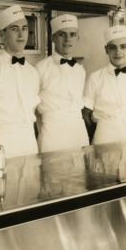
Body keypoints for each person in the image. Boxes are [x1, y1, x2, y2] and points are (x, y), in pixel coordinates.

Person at [0, 5, 41, 158]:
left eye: (24, 28)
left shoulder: (32, 72)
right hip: (2, 142)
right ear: (2, 35)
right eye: (14, 29)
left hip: (30, 141)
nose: (21, 34)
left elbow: (31, 110)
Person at [82, 26, 126, 145]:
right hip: (104, 139)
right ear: (106, 50)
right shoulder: (94, 78)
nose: (118, 52)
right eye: (112, 47)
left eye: (123, 47)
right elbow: (85, 115)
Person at [35, 14, 89, 153]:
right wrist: (41, 131)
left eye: (72, 34)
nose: (67, 39)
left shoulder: (80, 70)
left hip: (78, 132)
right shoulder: (40, 68)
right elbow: (32, 107)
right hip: (52, 133)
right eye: (61, 34)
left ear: (77, 37)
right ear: (52, 37)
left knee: (79, 173)